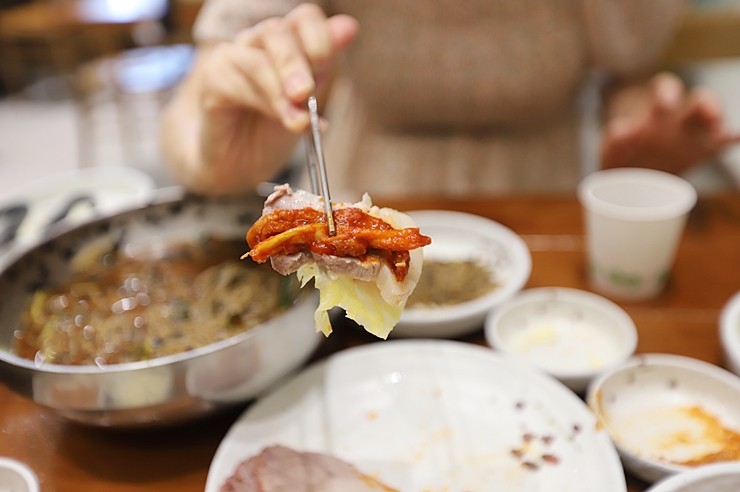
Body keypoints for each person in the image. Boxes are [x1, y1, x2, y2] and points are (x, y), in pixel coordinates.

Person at [160, 0, 740, 201]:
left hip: (549, 211)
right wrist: (211, 154)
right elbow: (209, 80)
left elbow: (629, 73)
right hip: (362, 198)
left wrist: (639, 140)